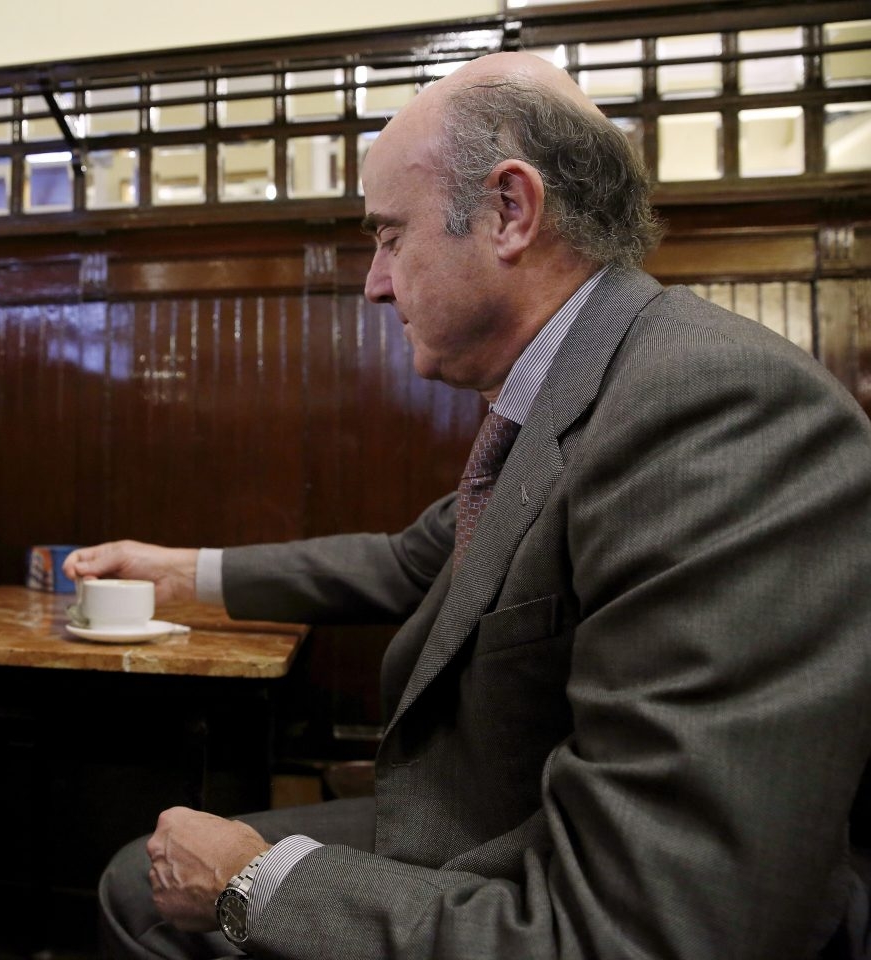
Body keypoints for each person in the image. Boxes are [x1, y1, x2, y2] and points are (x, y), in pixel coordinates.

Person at [67, 52, 871, 960]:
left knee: (147, 889)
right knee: (145, 871)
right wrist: (175, 572)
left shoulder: (713, 409)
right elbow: (412, 560)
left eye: (389, 235)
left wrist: (255, 885)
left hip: (563, 897)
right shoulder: (587, 386)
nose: (374, 282)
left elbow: (661, 928)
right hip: (505, 838)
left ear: (508, 211)